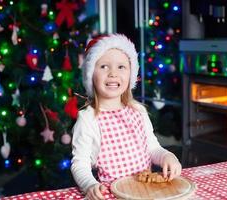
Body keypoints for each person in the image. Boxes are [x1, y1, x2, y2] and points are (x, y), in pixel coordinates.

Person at [71, 33, 182, 200]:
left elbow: (152, 148)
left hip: (145, 193)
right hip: (112, 195)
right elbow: (80, 164)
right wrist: (90, 185)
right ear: (91, 76)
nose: (113, 74)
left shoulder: (138, 111)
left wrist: (167, 156)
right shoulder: (88, 119)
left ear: (131, 74)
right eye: (103, 66)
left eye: (121, 67)